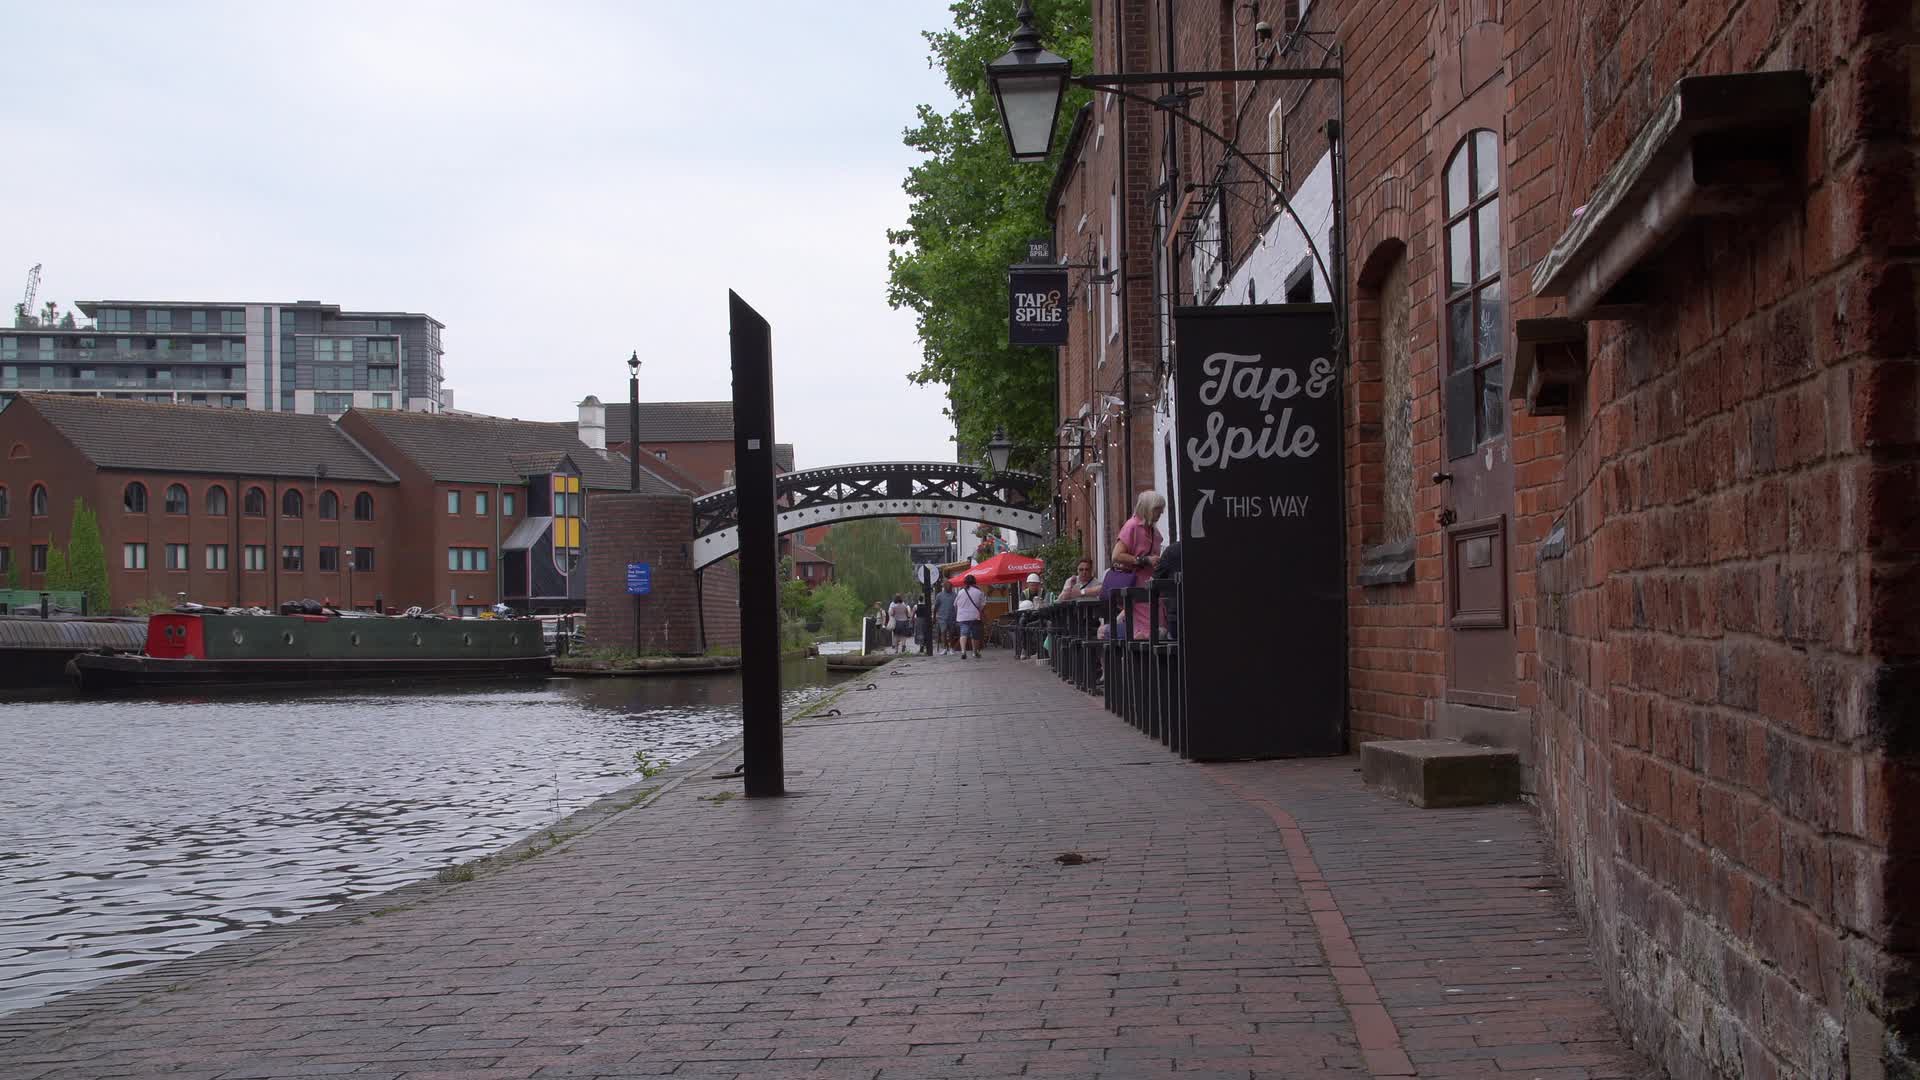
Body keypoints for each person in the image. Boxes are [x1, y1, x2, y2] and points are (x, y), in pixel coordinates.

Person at [1112, 490, 1166, 639]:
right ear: (1148, 508)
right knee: (1146, 632)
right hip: (1138, 586)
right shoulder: (1133, 526)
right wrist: (1145, 560)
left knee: (1157, 630)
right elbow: (1116, 556)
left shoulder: (1151, 529)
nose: (1160, 513)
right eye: (1157, 509)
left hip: (1150, 587)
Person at [952, 574, 988, 659]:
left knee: (963, 634)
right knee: (975, 635)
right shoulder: (979, 592)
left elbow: (955, 604)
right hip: (975, 616)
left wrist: (958, 613)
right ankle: (975, 652)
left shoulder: (960, 592)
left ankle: (963, 651)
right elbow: (982, 606)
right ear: (974, 582)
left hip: (962, 617)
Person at [932, 582, 956, 655]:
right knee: (943, 632)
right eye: (947, 586)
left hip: (952, 617)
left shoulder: (955, 595)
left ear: (952, 587)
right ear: (944, 587)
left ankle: (951, 648)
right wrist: (934, 616)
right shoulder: (939, 595)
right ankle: (945, 648)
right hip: (942, 617)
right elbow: (936, 606)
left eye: (950, 586)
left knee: (951, 633)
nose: (948, 587)